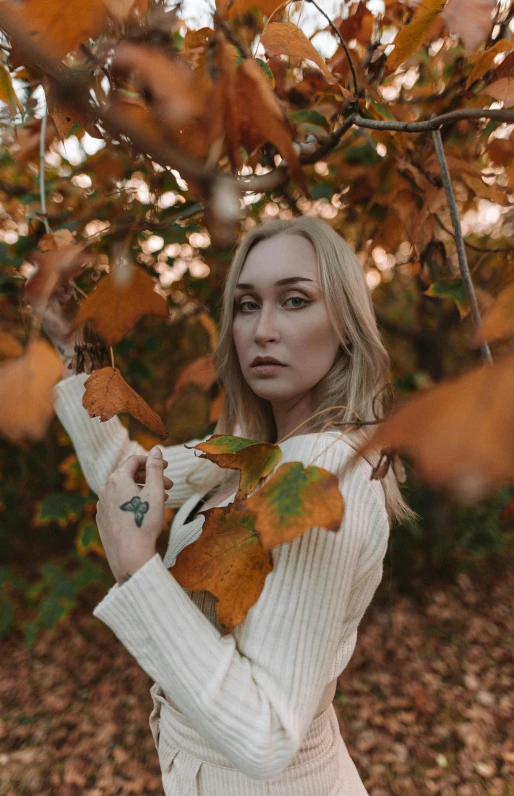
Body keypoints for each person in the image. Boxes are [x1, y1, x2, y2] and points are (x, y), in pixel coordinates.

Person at [44, 216, 415, 795]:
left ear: (345, 323)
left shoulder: (315, 475)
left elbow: (265, 735)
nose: (263, 329)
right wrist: (77, 350)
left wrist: (138, 571)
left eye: (294, 300)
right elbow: (129, 479)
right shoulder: (257, 451)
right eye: (246, 305)